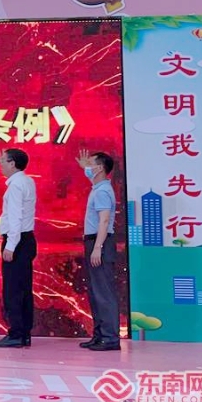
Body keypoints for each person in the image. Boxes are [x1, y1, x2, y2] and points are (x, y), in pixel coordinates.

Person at [0, 148, 37, 348]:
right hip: (26, 240)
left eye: (3, 160)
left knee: (13, 290)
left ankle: (16, 333)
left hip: (17, 241)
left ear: (12, 163)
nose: (0, 164)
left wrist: (11, 245)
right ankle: (24, 333)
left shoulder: (16, 185)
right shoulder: (27, 181)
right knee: (24, 289)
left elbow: (16, 217)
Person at [76, 149, 120, 351]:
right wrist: (84, 167)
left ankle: (110, 338)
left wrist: (97, 247)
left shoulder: (102, 192)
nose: (88, 168)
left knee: (103, 293)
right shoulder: (98, 188)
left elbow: (104, 220)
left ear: (100, 168)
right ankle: (100, 335)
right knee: (95, 293)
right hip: (94, 242)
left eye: (91, 164)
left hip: (100, 242)